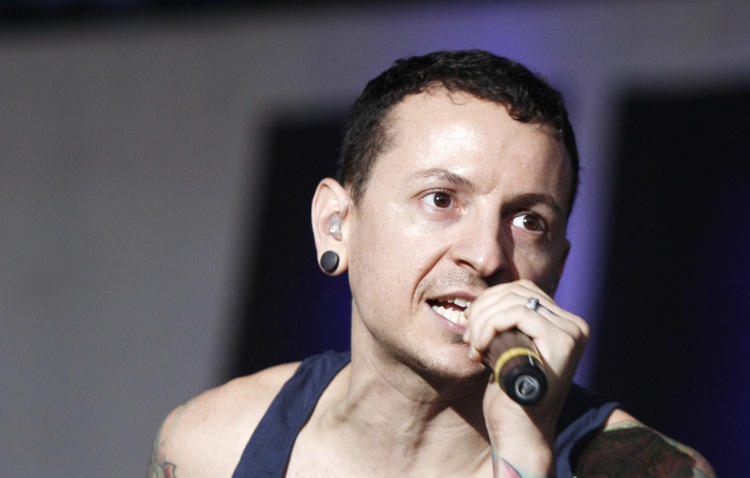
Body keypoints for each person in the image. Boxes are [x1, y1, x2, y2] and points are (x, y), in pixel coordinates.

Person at [148, 50, 715, 478]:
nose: (487, 255)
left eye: (528, 220)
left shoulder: (645, 470)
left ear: (558, 267)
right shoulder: (211, 447)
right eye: (441, 199)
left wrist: (524, 452)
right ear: (335, 224)